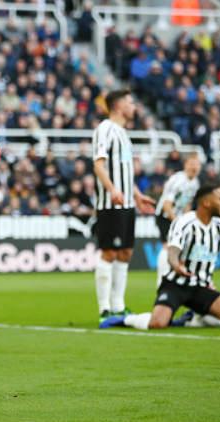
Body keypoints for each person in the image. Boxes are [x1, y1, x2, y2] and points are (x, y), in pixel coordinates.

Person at [100, 184, 220, 330]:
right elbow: (173, 250)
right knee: (158, 323)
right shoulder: (184, 223)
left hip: (201, 286)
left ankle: (192, 319)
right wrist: (176, 264)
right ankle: (124, 320)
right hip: (176, 284)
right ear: (206, 202)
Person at [91, 90, 155, 324]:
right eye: (130, 102)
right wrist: (111, 189)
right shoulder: (105, 129)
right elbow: (99, 165)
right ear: (118, 106)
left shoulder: (123, 134)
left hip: (127, 203)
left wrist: (137, 195)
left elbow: (125, 171)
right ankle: (104, 308)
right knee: (109, 252)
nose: (134, 106)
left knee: (126, 252)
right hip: (111, 203)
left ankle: (118, 305)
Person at [154, 154, 201, 286]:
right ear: (186, 164)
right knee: (168, 246)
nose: (194, 167)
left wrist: (186, 220)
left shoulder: (195, 183)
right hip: (165, 215)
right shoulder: (177, 180)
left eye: (197, 164)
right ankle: (161, 281)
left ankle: (174, 279)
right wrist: (176, 221)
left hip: (178, 217)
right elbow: (166, 204)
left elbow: (188, 203)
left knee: (180, 248)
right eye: (192, 163)